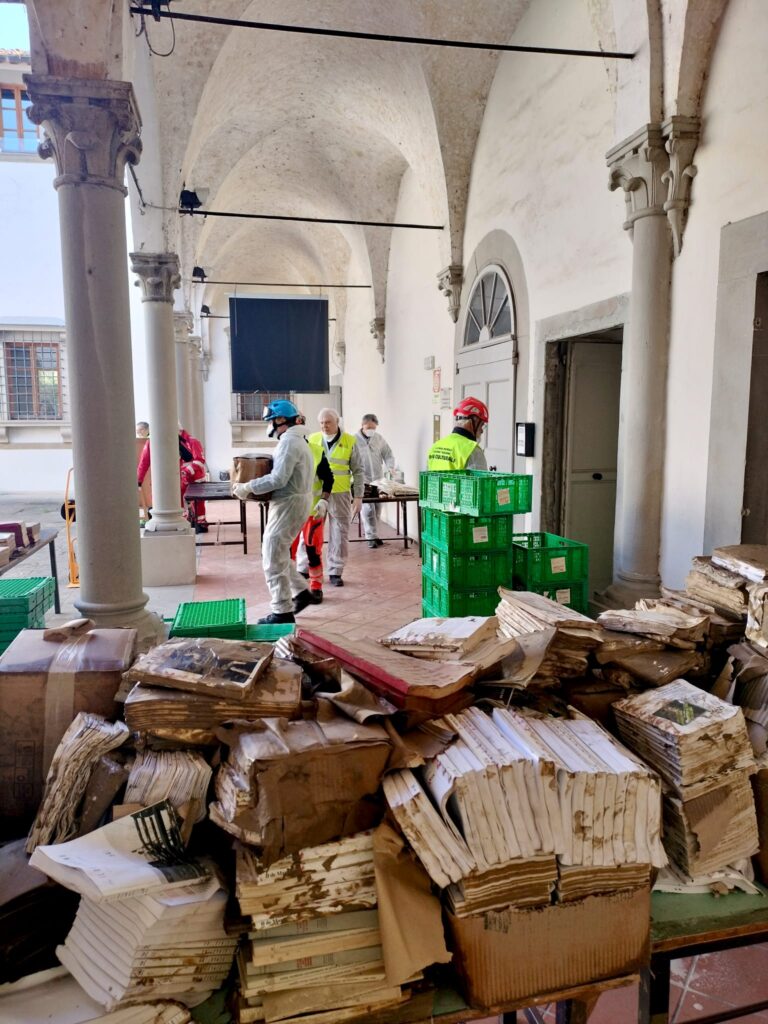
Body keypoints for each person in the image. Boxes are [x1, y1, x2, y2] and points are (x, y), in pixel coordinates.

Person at [232, 400, 315, 624]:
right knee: (278, 552)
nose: (270, 425)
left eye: (272, 420)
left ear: (281, 420)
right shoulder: (298, 440)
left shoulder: (289, 442)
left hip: (289, 503)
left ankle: (282, 612)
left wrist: (246, 488)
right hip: (294, 502)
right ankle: (302, 592)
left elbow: (278, 479)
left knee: (271, 555)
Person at [307, 408, 364, 587]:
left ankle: (335, 571)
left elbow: (358, 470)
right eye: (322, 423)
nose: (324, 426)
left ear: (337, 422)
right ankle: (307, 568)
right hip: (317, 494)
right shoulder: (312, 439)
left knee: (339, 532)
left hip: (340, 493)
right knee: (311, 532)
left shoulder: (350, 441)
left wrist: (358, 496)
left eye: (328, 422)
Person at [290, 414, 334, 604]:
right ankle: (294, 588)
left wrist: (324, 500)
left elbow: (328, 479)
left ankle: (316, 587)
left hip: (313, 512)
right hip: (289, 512)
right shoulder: (283, 451)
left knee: (312, 550)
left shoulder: (316, 451)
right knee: (286, 552)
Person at [137, 425, 209, 531]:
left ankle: (200, 523)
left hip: (191, 479)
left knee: (197, 503)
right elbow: (144, 462)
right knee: (173, 502)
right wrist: (138, 480)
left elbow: (198, 461)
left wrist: (186, 472)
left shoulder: (191, 441)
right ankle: (183, 522)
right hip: (169, 479)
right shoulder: (152, 442)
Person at [354, 413, 395, 548]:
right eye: (368, 427)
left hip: (378, 479)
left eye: (373, 427)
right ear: (362, 426)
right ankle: (370, 537)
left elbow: (388, 454)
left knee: (377, 508)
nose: (371, 430)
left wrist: (390, 467)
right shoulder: (354, 440)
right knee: (368, 509)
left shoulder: (378, 439)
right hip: (363, 479)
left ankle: (374, 534)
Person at [427, 397, 489, 471]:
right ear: (473, 421)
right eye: (481, 425)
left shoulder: (435, 446)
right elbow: (481, 482)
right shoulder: (473, 451)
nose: (482, 431)